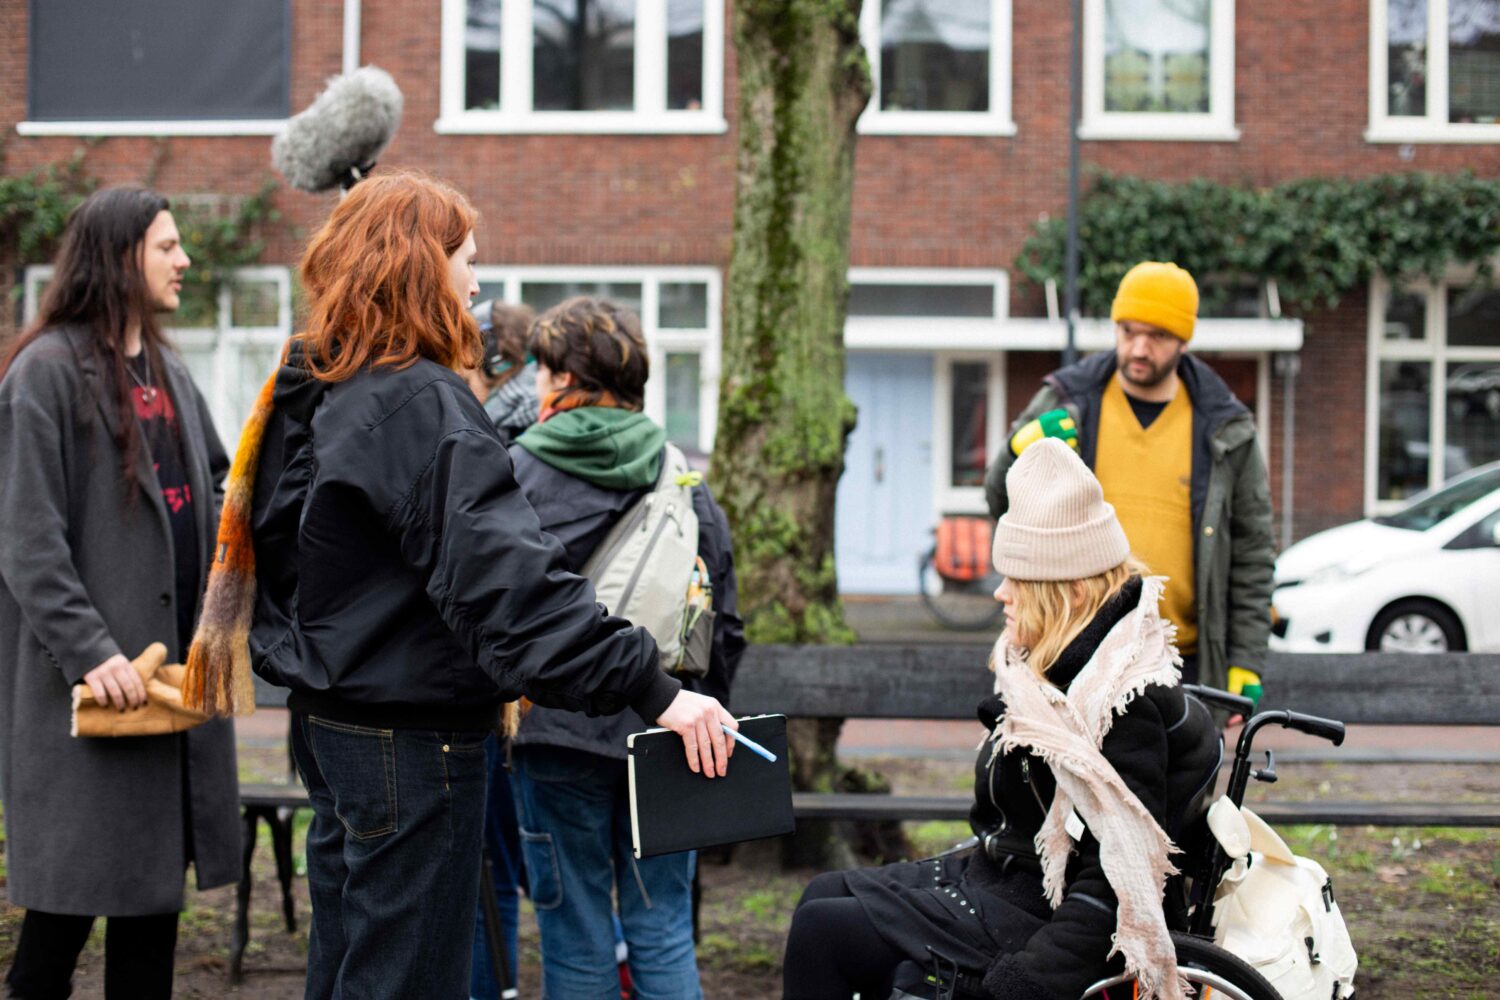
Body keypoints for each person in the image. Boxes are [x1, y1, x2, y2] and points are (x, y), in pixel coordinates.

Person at [182, 172, 736, 1000]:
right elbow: (509, 587)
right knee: (401, 979)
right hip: (412, 744)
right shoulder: (420, 405)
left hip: (337, 726)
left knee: (349, 970)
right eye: (465, 261)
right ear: (417, 267)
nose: (477, 285)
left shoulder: (319, 387)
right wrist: (656, 690)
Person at [784, 439, 1220, 1000]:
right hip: (1006, 876)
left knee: (825, 933)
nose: (999, 593)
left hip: (1046, 912)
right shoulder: (1054, 672)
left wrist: (1019, 986)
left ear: (1070, 593)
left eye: (1017, 580)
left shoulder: (1124, 702)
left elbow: (1113, 889)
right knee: (823, 894)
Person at [0, 187, 241, 999]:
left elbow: (215, 483)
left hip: (169, 696)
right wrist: (93, 652)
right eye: (167, 246)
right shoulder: (43, 373)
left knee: (149, 926)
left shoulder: (169, 369)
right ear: (119, 256)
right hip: (91, 701)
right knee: (56, 933)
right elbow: (26, 540)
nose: (184, 261)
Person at [507, 295, 747, 1000]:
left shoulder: (518, 476)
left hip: (557, 736)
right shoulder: (682, 477)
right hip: (673, 735)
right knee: (663, 925)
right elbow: (722, 617)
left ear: (564, 381)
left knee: (573, 929)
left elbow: (503, 606)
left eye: (546, 371)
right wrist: (702, 711)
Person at [983, 261, 1274, 696]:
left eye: (1157, 336)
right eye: (1128, 331)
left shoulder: (1226, 427)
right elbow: (1000, 503)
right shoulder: (1068, 402)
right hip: (1075, 651)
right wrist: (1016, 450)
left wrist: (1246, 660)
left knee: (1186, 765)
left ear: (1183, 340)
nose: (1139, 348)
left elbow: (1253, 550)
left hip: (1184, 659)